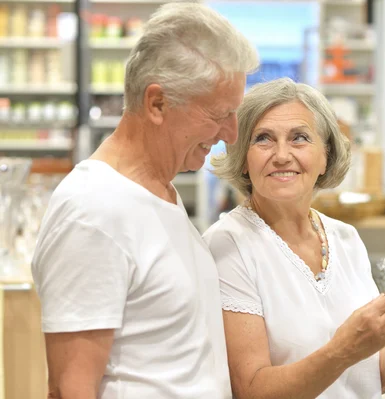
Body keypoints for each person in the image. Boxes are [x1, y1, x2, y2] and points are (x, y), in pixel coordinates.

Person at [31, 2, 259, 398]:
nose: (231, 134)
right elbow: (70, 388)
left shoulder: (159, 194)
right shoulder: (93, 210)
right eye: (219, 113)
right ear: (157, 104)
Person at [203, 77, 385, 399]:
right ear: (244, 158)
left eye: (299, 138)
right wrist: (343, 349)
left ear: (325, 156)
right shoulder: (228, 246)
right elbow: (253, 390)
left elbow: (375, 377)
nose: (282, 155)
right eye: (263, 139)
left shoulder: (345, 239)